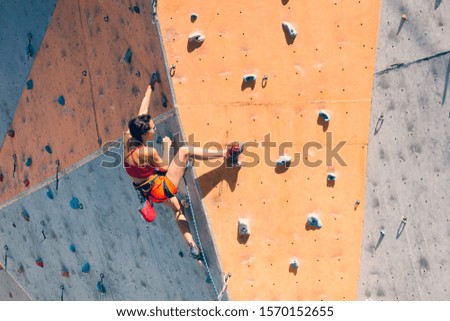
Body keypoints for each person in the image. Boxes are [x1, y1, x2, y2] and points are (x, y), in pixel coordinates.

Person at [124, 84, 241, 260]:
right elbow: (163, 168)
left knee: (178, 209)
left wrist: (149, 88)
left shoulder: (128, 138)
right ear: (144, 134)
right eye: (153, 129)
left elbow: (142, 112)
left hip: (149, 192)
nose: (155, 129)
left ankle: (192, 246)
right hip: (161, 188)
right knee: (185, 152)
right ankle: (227, 154)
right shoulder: (148, 153)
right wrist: (166, 146)